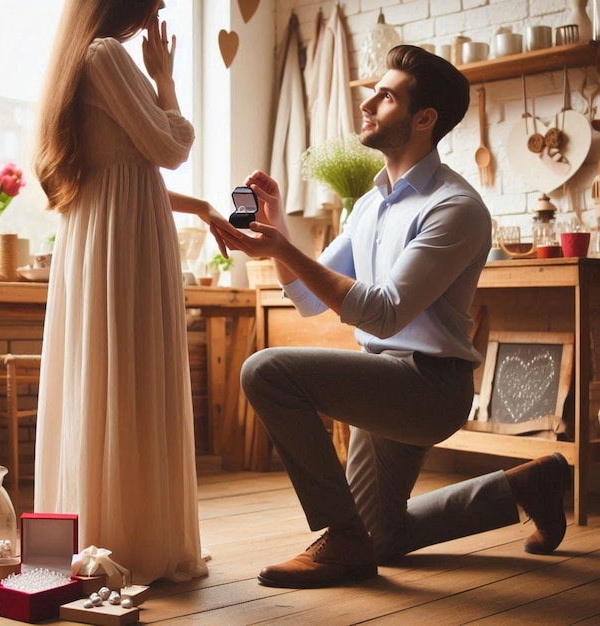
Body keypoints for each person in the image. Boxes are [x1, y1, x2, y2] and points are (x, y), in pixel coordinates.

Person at [216, 45, 571, 589]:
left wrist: (283, 251)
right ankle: (527, 485)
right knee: (383, 539)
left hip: (427, 387)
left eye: (386, 96)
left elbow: (382, 314)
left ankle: (339, 537)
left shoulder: (454, 206)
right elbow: (311, 299)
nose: (369, 106)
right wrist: (278, 228)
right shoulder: (370, 204)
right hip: (382, 380)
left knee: (265, 370)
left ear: (424, 118)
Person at [34, 0, 235, 584]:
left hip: (101, 237)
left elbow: (123, 166)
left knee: (101, 376)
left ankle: (96, 530)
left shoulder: (78, 62)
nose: (163, 6)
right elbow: (170, 148)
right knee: (131, 376)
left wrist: (199, 206)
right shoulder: (107, 55)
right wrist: (166, 81)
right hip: (126, 245)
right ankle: (134, 537)